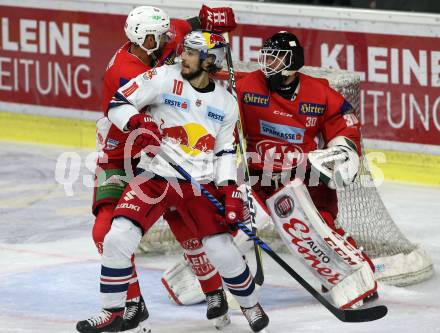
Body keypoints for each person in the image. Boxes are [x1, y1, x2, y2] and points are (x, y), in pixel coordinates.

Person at [77, 30, 269, 333]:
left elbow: (225, 152)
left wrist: (230, 189)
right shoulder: (163, 77)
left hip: (198, 185)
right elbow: (118, 103)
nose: (184, 57)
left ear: (210, 61)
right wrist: (139, 122)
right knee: (117, 237)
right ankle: (113, 310)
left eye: (192, 53)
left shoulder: (225, 102)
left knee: (220, 249)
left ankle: (249, 304)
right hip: (154, 177)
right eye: (186, 51)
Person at [235, 31, 377, 308]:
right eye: (267, 56)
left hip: (305, 176)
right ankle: (213, 277)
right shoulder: (246, 86)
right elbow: (212, 97)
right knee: (231, 224)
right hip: (257, 174)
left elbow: (344, 124)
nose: (268, 63)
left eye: (276, 58)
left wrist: (343, 150)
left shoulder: (319, 92)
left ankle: (357, 276)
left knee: (319, 228)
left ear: (292, 62)